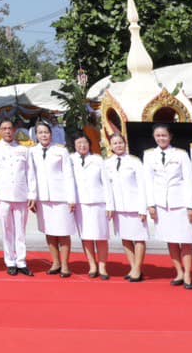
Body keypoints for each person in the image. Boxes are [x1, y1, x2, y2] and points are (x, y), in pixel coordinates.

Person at [145, 123, 192, 290]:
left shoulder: (181, 155)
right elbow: (148, 182)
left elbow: (189, 181)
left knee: (186, 240)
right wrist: (151, 205)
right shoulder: (149, 155)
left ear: (170, 136)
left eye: (164, 135)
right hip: (162, 205)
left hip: (180, 203)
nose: (161, 138)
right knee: (171, 240)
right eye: (158, 136)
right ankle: (179, 272)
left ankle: (188, 273)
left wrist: (190, 206)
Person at [0, 118, 37, 276]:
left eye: (10, 128)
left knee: (20, 231)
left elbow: (30, 173)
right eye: (4, 128)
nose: (8, 131)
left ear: (14, 130)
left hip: (21, 194)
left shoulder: (24, 150)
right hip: (3, 195)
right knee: (7, 229)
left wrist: (32, 194)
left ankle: (21, 261)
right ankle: (10, 261)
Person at [31, 121, 77, 277]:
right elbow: (31, 176)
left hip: (61, 197)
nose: (43, 135)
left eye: (46, 132)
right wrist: (33, 196)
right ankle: (55, 262)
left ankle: (65, 265)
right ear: (36, 135)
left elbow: (68, 175)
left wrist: (71, 198)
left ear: (51, 134)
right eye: (40, 132)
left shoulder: (60, 151)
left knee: (63, 232)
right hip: (43, 198)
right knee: (49, 231)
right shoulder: (32, 151)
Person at [104, 131, 148, 282]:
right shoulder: (107, 163)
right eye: (115, 143)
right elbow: (107, 188)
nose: (118, 145)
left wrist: (143, 208)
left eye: (120, 142)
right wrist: (110, 207)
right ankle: (133, 267)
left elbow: (143, 186)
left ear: (125, 143)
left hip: (135, 206)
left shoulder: (134, 161)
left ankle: (137, 268)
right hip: (119, 207)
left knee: (139, 238)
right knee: (126, 238)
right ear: (110, 146)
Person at [70, 133, 109, 279]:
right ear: (74, 145)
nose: (82, 146)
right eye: (79, 143)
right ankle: (92, 265)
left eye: (84, 142)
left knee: (101, 236)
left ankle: (102, 266)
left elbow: (106, 183)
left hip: (98, 202)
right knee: (86, 236)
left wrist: (109, 204)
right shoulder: (71, 159)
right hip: (80, 203)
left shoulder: (97, 159)